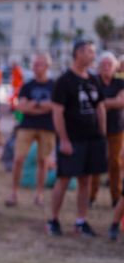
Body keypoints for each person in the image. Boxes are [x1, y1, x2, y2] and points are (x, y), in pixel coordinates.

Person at [47, 40, 107, 237]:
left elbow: (100, 106)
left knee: (85, 180)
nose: (93, 55)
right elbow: (57, 112)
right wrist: (63, 140)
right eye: (90, 51)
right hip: (72, 139)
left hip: (92, 139)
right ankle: (53, 220)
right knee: (63, 179)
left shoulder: (93, 79)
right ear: (78, 54)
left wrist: (102, 134)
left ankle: (81, 221)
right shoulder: (65, 81)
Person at [7, 53, 55, 207]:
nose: (36, 68)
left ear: (47, 66)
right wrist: (43, 106)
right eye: (34, 64)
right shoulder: (27, 86)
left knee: (43, 161)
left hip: (47, 127)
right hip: (26, 126)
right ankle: (14, 193)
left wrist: (34, 105)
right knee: (18, 159)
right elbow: (21, 107)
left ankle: (39, 194)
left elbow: (54, 106)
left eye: (39, 64)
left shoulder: (54, 86)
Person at [89, 52, 124, 207]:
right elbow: (92, 103)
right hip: (96, 129)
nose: (106, 67)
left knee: (115, 163)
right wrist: (109, 102)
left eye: (109, 64)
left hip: (116, 128)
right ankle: (91, 195)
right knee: (95, 162)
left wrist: (102, 104)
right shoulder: (93, 82)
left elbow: (121, 102)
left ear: (115, 67)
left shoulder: (120, 82)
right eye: (103, 64)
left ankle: (116, 196)